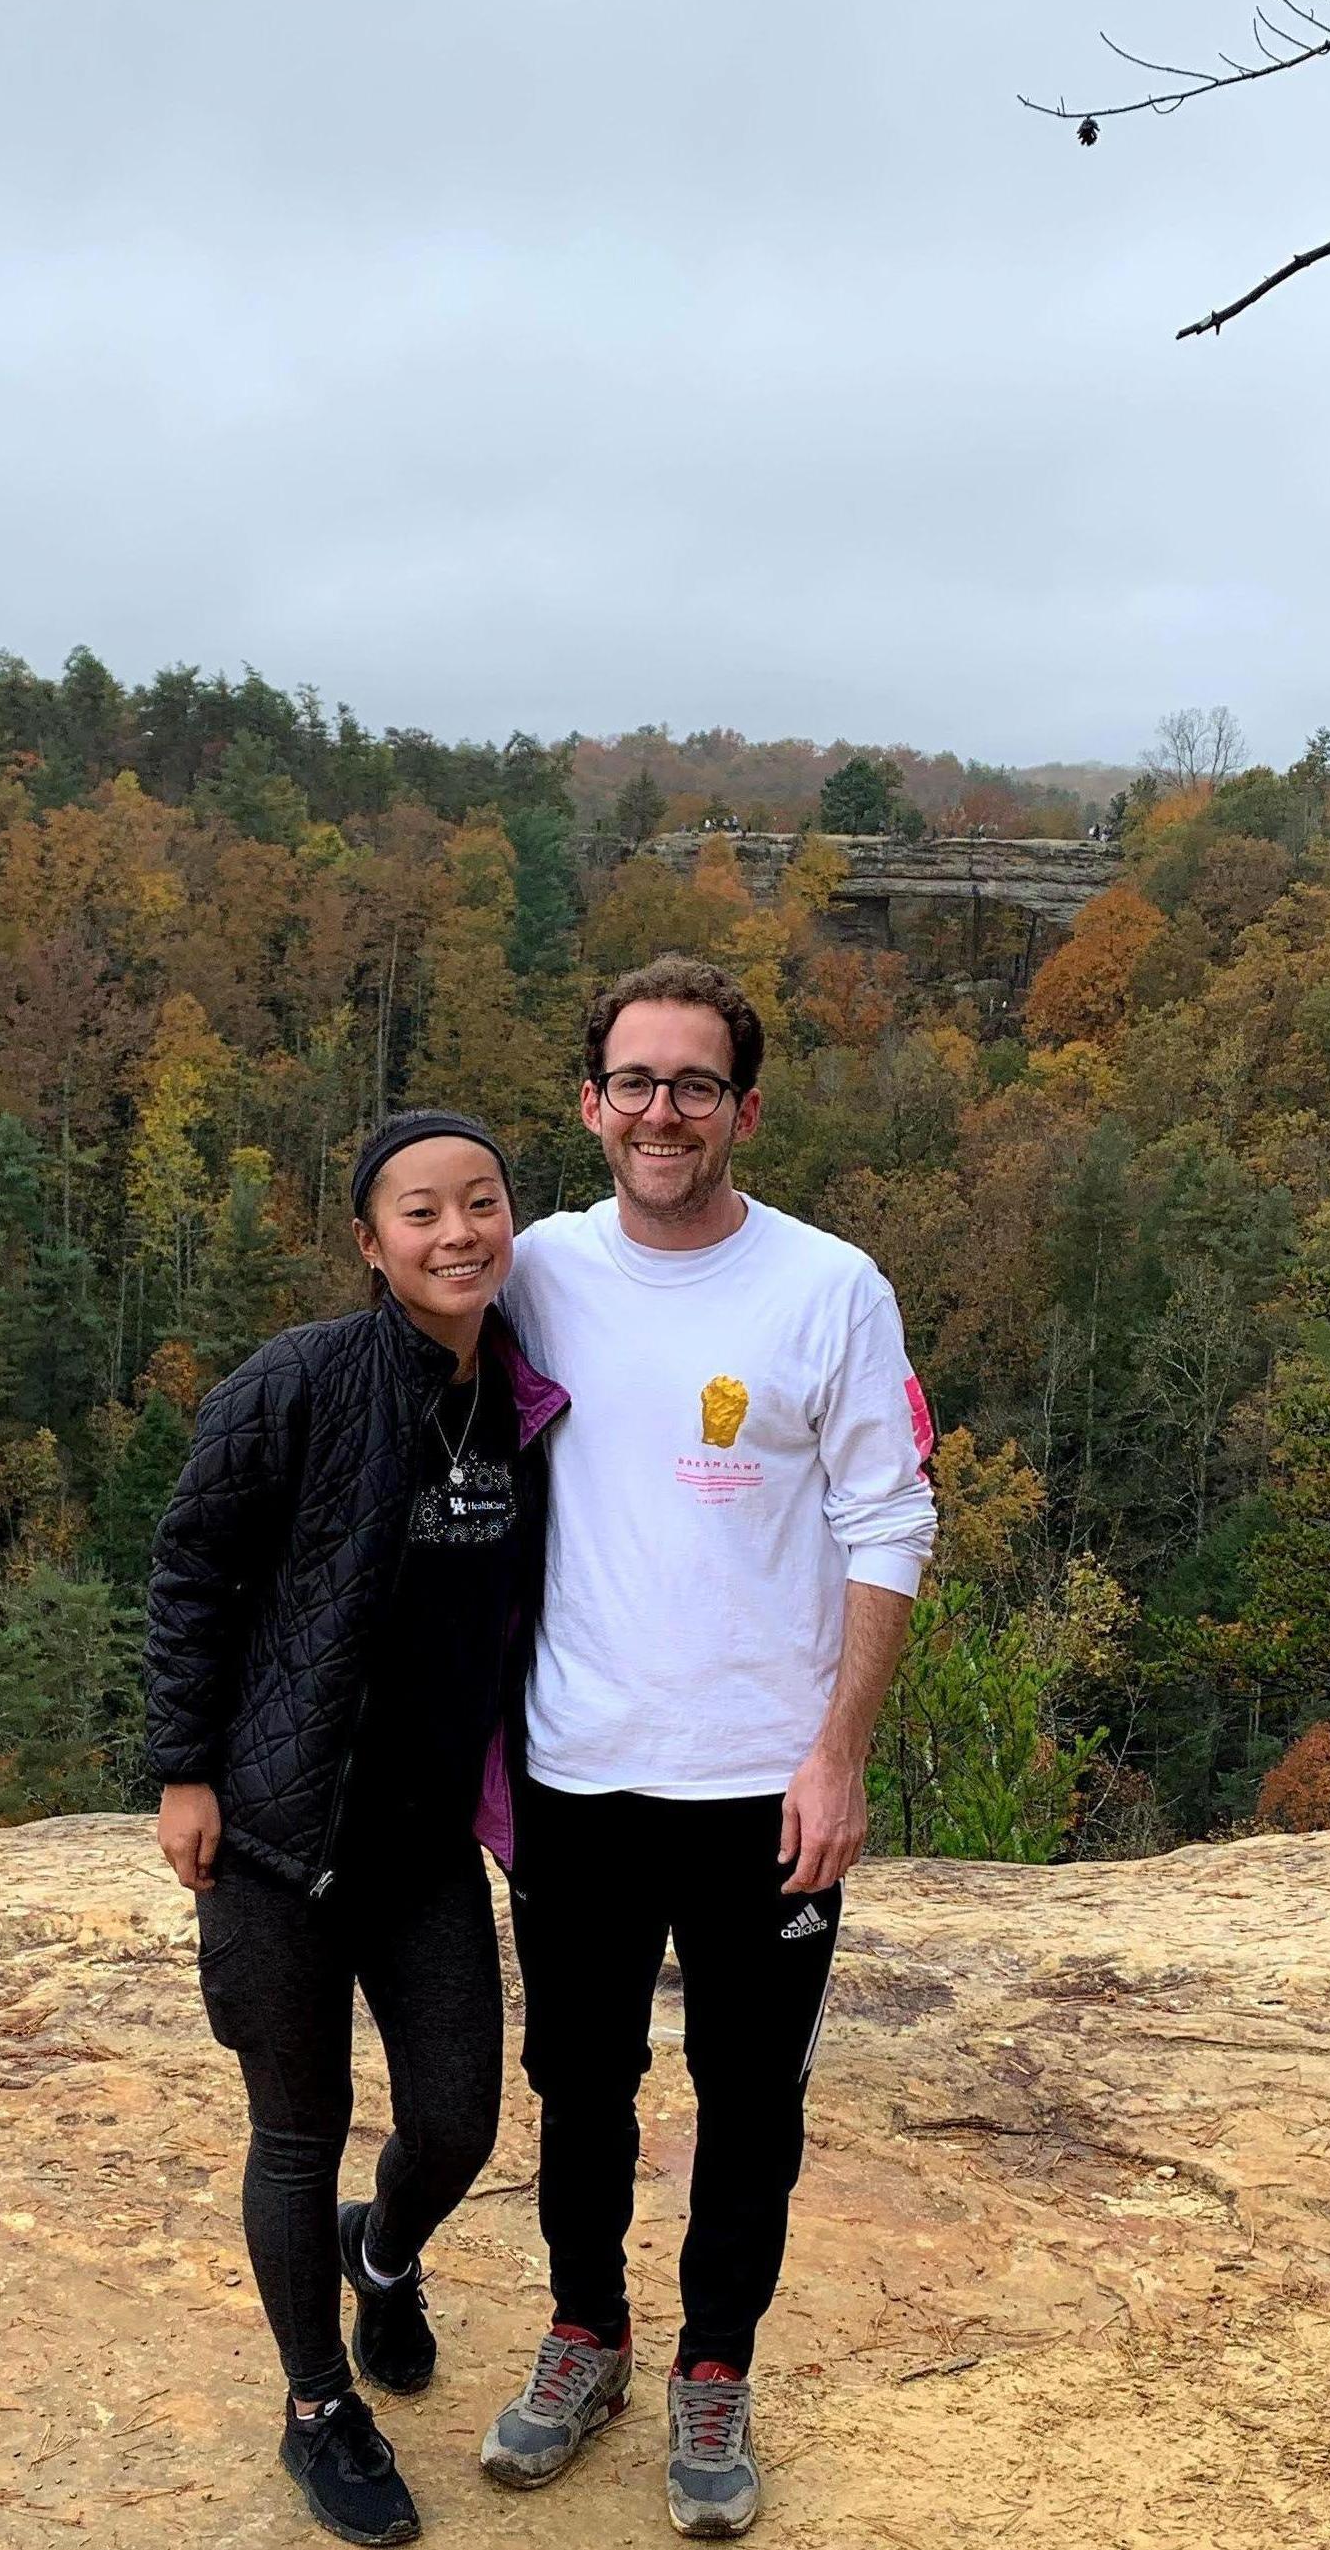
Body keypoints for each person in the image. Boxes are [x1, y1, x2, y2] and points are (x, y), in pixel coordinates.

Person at [478, 956, 934, 2540]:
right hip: (578, 1767)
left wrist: (840, 1753)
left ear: (741, 1105)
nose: (660, 1111)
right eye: (633, 1082)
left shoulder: (831, 1288)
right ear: (590, 1101)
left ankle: (715, 2364)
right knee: (577, 2079)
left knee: (751, 2096)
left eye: (693, 1084)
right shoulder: (533, 1269)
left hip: (765, 1784)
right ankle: (587, 2333)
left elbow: (891, 1514)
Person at [145, 1110, 567, 2549]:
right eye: (422, 1212)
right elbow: (193, 1564)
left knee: (456, 2116)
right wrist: (183, 1769)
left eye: (482, 1204)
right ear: (370, 1242)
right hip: (277, 1836)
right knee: (297, 2128)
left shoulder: (521, 1396)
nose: (458, 1233)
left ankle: (381, 2261)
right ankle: (317, 2404)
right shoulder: (301, 1381)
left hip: (423, 1842)